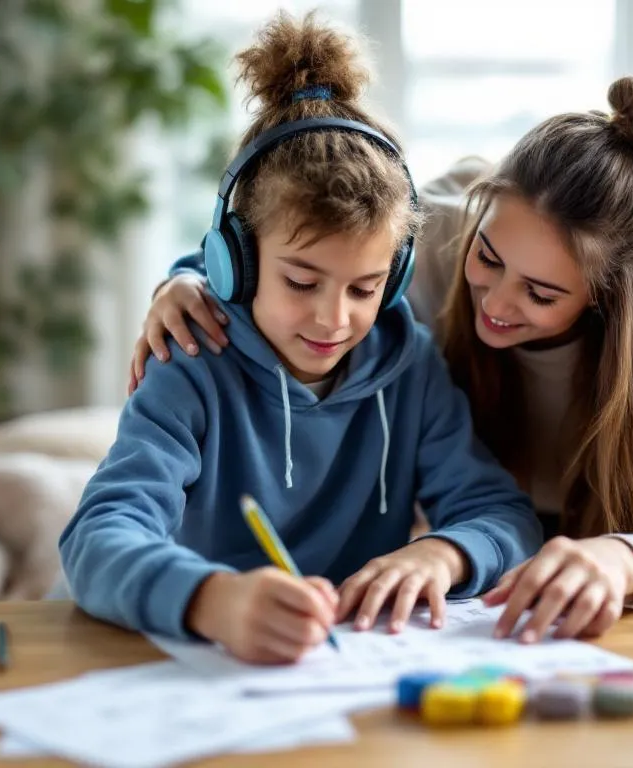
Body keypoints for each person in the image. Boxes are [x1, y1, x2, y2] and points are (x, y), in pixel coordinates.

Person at [131, 76, 633, 644]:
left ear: (607, 299)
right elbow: (295, 241)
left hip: (621, 545)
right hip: (495, 539)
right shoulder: (440, 231)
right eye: (489, 258)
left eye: (541, 292)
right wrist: (188, 278)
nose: (496, 303)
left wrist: (619, 562)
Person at [60, 11, 543, 664]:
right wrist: (212, 600)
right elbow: (96, 536)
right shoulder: (192, 361)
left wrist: (442, 552)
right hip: (218, 666)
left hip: (354, 672)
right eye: (301, 281)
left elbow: (504, 516)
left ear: (396, 278)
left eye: (364, 288)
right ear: (238, 261)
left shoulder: (411, 366)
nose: (332, 320)